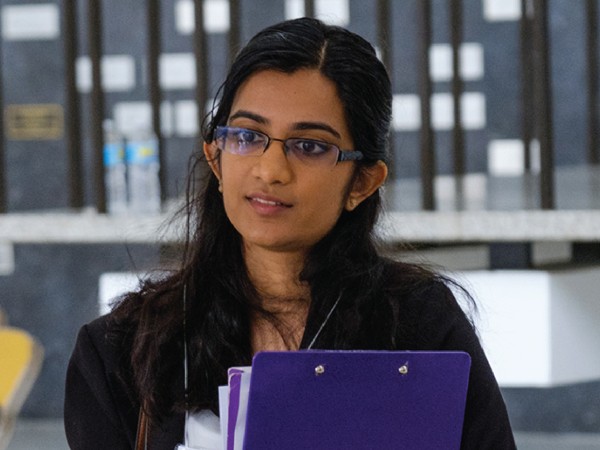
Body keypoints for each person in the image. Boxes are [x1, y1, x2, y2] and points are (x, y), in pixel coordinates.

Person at [64, 17, 516, 449]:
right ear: (215, 157)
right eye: (246, 136)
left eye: (310, 146)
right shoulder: (122, 351)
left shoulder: (418, 328)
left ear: (362, 182)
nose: (271, 170)